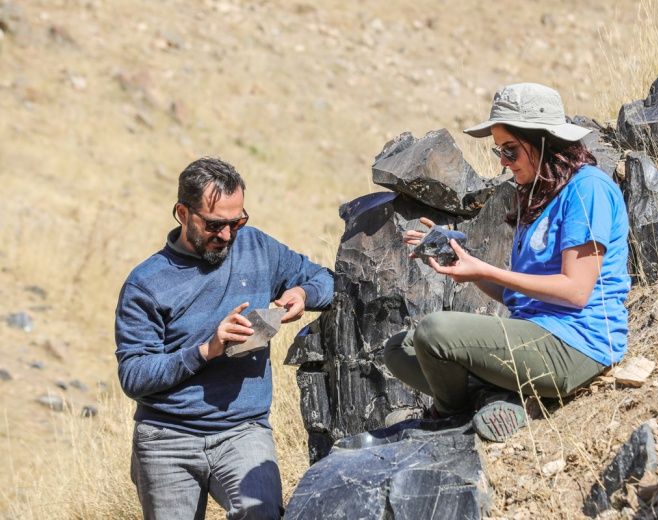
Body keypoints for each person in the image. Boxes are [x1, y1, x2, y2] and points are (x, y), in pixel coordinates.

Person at [384, 83, 630, 442]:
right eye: (499, 150)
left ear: (543, 141)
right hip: (535, 336)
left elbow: (576, 291)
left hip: (578, 344)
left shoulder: (586, 189)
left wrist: (484, 270)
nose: (503, 161)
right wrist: (463, 262)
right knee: (399, 349)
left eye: (511, 150)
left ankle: (449, 417)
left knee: (434, 332)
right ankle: (498, 398)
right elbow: (521, 297)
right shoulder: (539, 194)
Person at [115, 157, 333, 519]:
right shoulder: (146, 283)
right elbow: (134, 376)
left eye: (237, 222)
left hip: (243, 431)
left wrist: (303, 295)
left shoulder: (257, 248)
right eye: (215, 225)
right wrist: (208, 349)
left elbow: (326, 279)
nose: (228, 236)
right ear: (182, 213)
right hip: (166, 439)